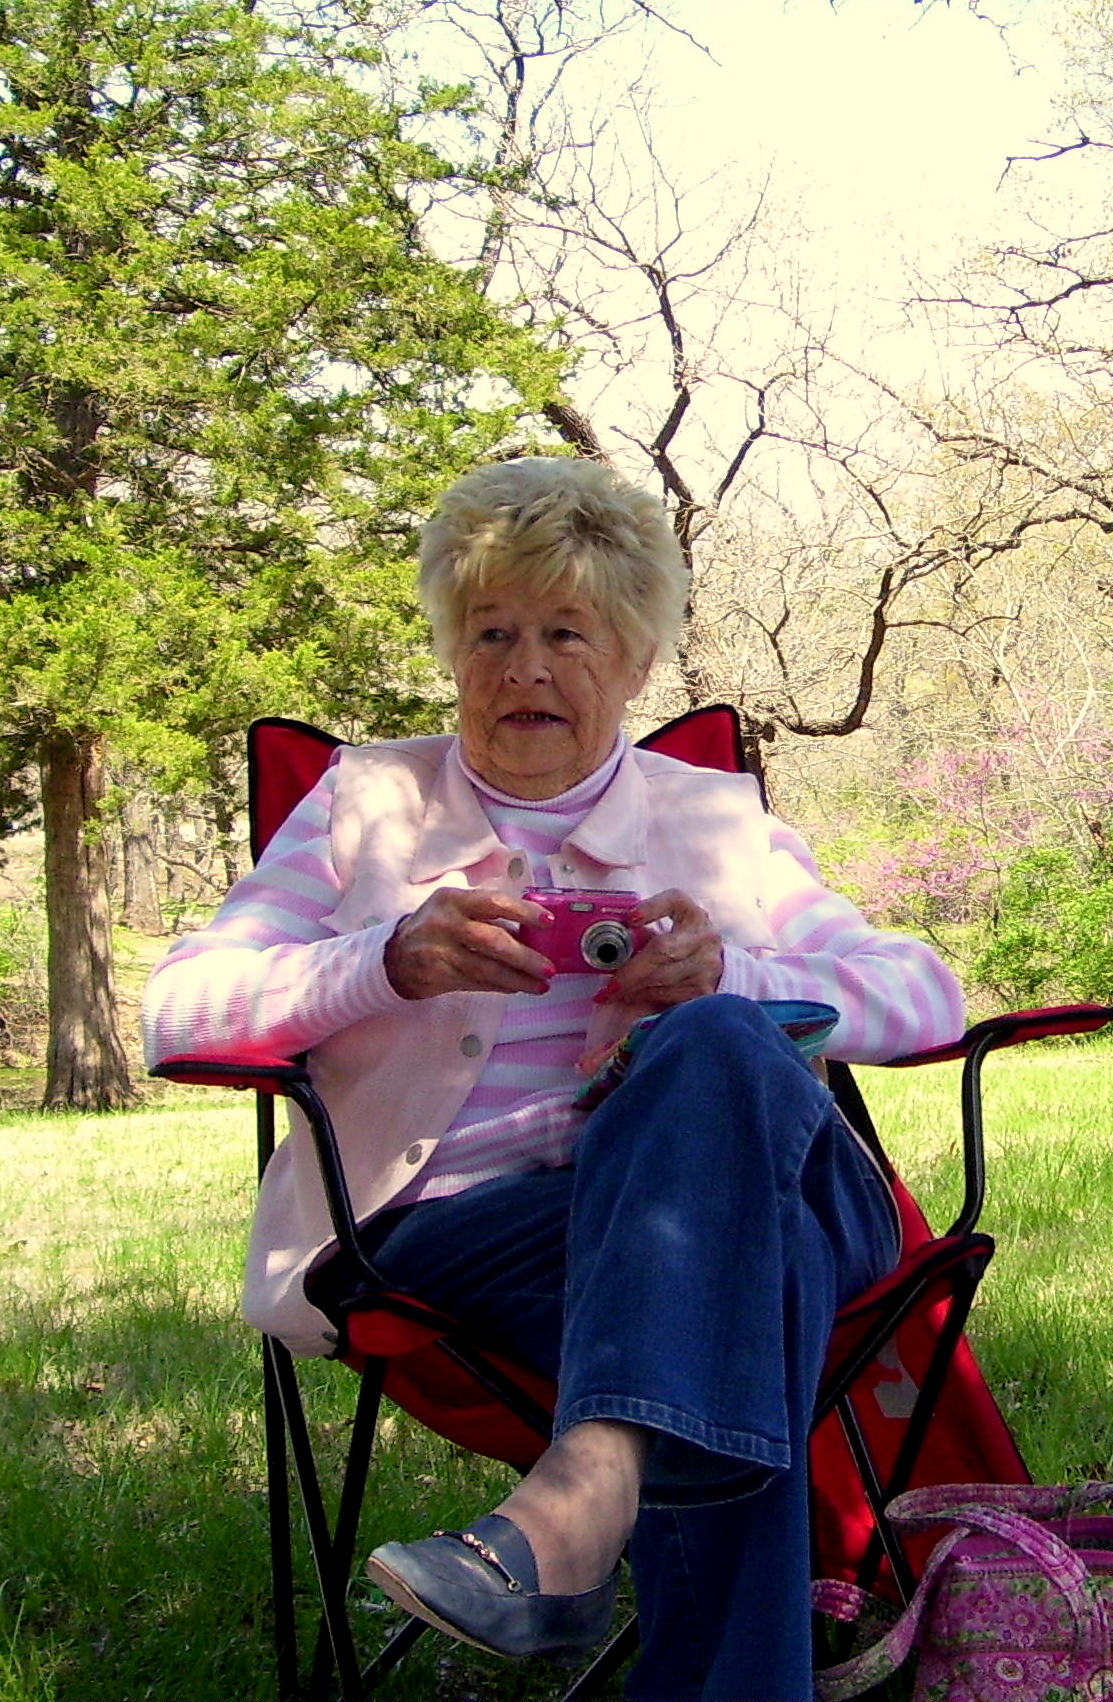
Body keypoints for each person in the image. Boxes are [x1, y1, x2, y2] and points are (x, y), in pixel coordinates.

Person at [143, 456, 964, 1701]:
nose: (525, 668)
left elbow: (925, 991)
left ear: (633, 660)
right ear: (452, 649)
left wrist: (726, 972)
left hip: (778, 1180)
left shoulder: (713, 819)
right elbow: (177, 1004)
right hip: (452, 1233)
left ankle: (574, 1500)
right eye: (492, 632)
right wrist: (385, 960)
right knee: (755, 1269)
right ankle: (608, 1499)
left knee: (722, 1042)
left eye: (567, 632)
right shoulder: (363, 805)